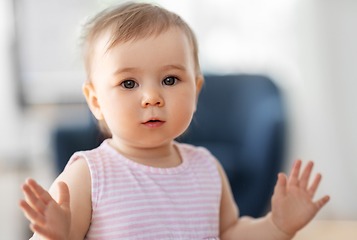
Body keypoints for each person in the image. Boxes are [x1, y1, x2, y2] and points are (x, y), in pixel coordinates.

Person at [19, 2, 330, 240]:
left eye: (170, 79)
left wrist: (276, 225)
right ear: (96, 101)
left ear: (195, 91)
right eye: (129, 83)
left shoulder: (207, 168)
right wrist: (52, 234)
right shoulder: (88, 175)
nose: (152, 97)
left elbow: (230, 232)